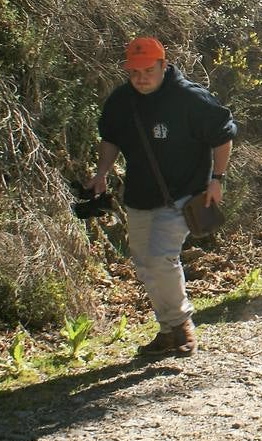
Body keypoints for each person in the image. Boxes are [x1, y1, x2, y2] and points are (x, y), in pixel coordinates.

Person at [92, 36, 237, 357]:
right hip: (140, 194)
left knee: (161, 256)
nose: (141, 79)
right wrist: (102, 171)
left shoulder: (189, 98)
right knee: (144, 263)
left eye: (148, 71)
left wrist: (218, 179)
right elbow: (110, 138)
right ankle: (168, 329)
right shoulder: (122, 100)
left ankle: (182, 325)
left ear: (163, 64)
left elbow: (223, 134)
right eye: (134, 72)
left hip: (184, 194)